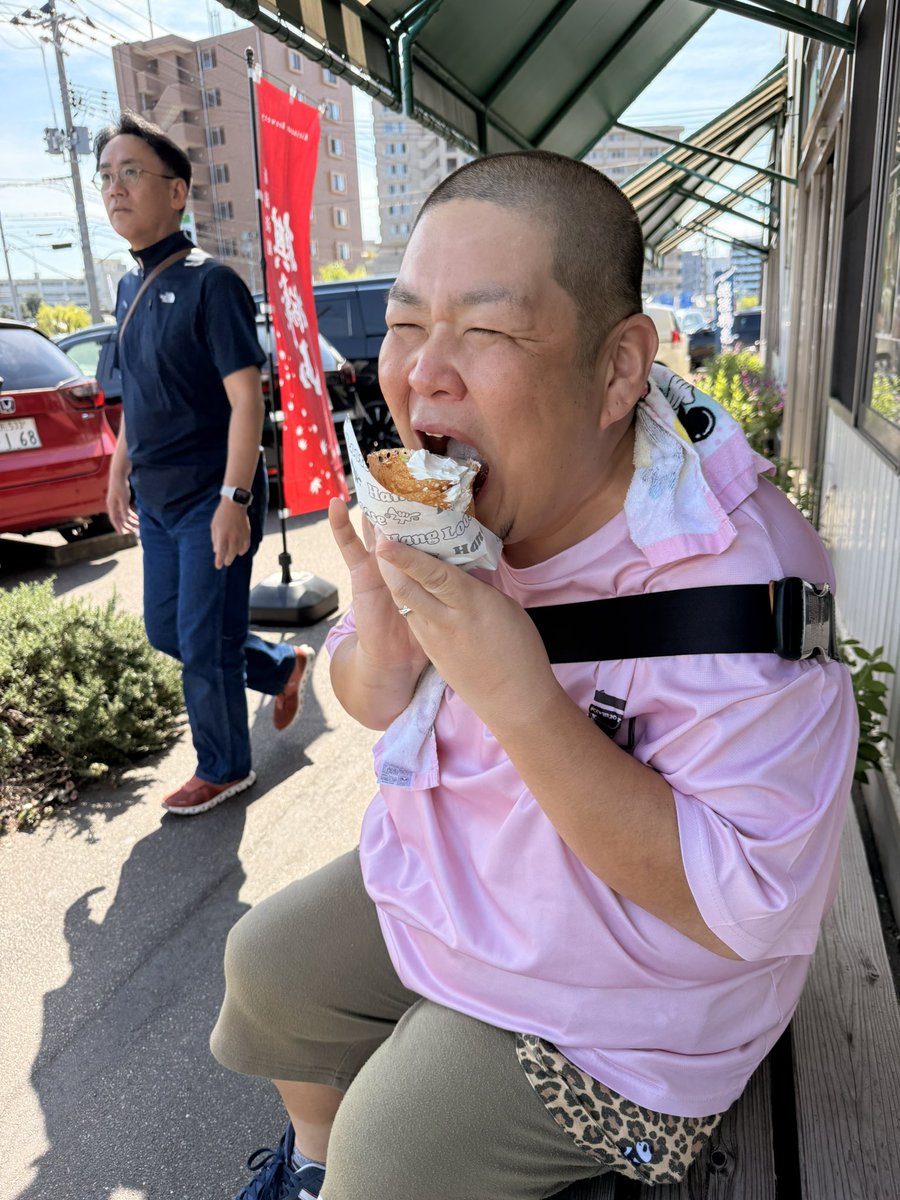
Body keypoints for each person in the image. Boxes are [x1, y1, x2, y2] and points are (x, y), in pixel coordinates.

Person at [209, 152, 858, 1199]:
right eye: (407, 323)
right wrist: (383, 647)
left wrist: (516, 695)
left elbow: (747, 909)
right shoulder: (462, 511)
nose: (424, 372)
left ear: (618, 370)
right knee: (268, 969)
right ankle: (310, 1169)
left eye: (490, 331)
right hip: (472, 887)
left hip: (639, 1007)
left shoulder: (739, 586)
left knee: (393, 1145)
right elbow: (367, 698)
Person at [95, 112, 314, 817]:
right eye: (106, 176)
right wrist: (118, 468)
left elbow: (248, 401)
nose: (115, 188)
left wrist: (234, 500)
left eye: (131, 172)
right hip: (156, 500)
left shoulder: (211, 283)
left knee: (201, 641)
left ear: (176, 191)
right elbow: (137, 394)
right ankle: (280, 664)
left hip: (210, 496)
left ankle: (223, 767)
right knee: (168, 630)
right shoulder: (127, 289)